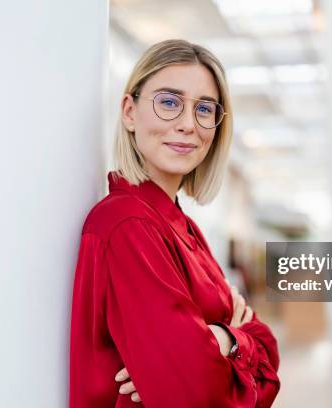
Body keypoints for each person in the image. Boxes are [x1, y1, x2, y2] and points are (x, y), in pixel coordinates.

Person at [69, 39, 280, 407]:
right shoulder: (126, 226)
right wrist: (235, 337)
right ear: (129, 112)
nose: (187, 124)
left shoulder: (184, 227)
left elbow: (270, 354)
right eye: (169, 102)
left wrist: (223, 340)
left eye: (204, 109)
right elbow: (195, 393)